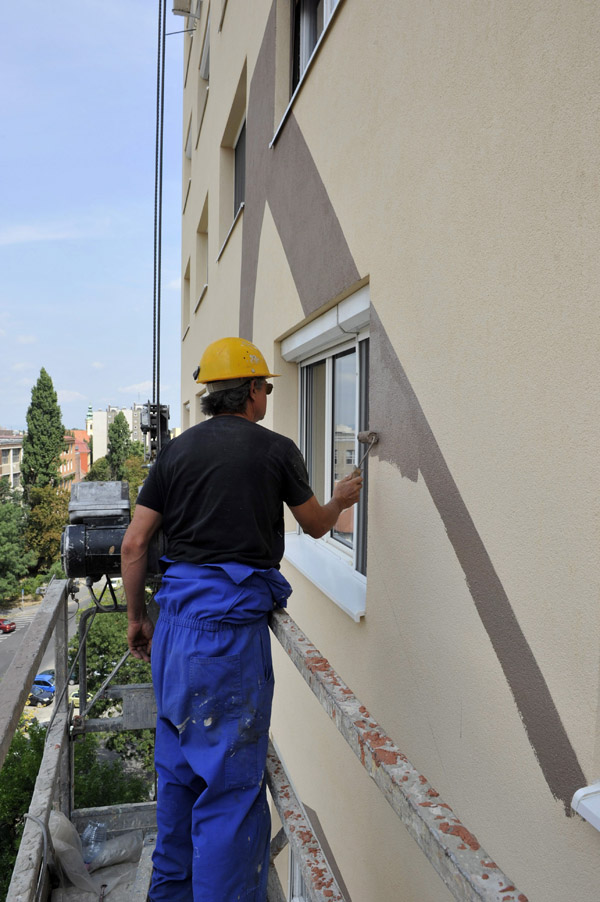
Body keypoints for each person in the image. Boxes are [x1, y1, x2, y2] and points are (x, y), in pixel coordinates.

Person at [122, 336, 362, 902]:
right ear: (252, 391)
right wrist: (342, 498)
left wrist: (138, 619)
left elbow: (134, 546)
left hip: (175, 632)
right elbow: (318, 526)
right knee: (229, 795)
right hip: (227, 642)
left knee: (179, 776)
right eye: (266, 389)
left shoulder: (174, 454)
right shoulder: (276, 451)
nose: (267, 399)